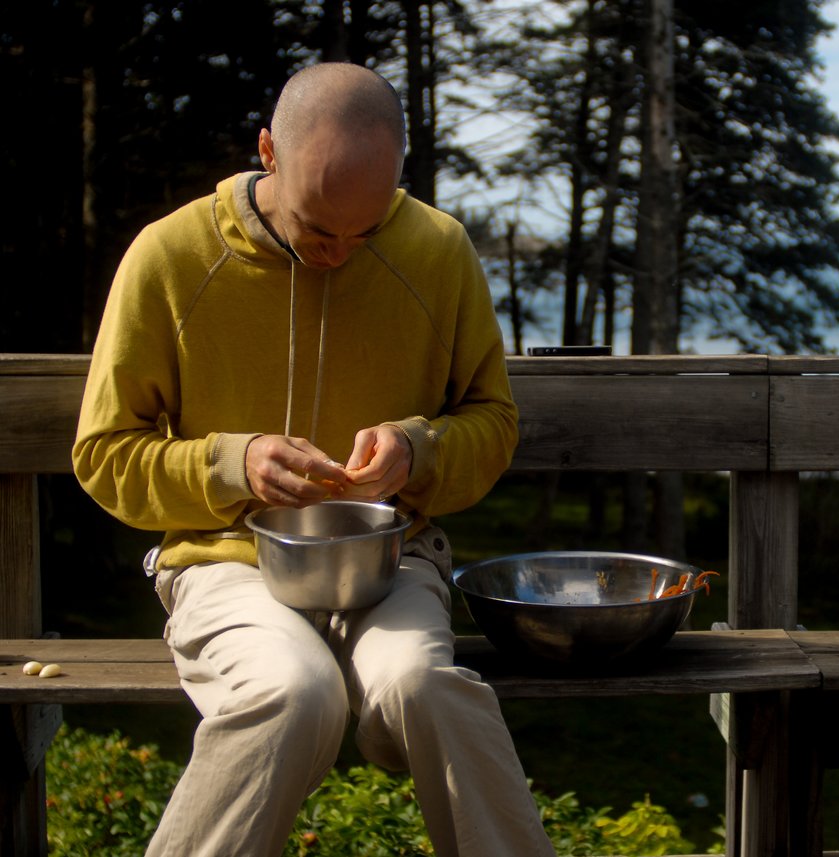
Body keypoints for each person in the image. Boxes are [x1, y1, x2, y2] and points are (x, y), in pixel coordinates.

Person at [72, 62, 555, 857]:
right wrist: (233, 464)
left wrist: (418, 448)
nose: (337, 255)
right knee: (292, 690)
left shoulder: (437, 250)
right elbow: (103, 453)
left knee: (428, 685)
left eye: (363, 235)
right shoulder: (170, 256)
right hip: (229, 563)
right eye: (317, 229)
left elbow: (492, 422)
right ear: (267, 150)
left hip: (389, 563)